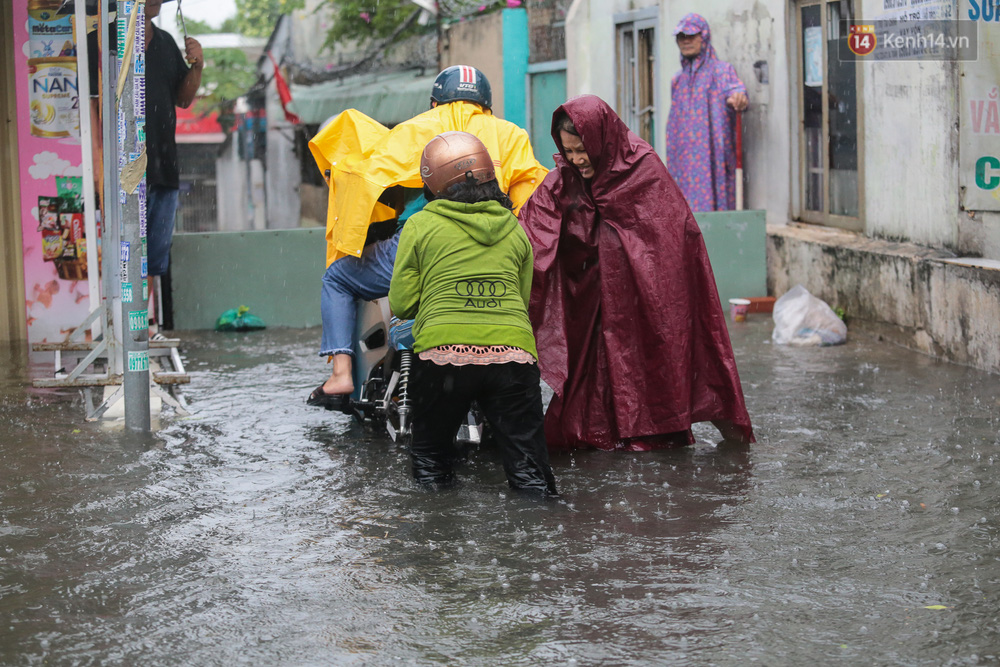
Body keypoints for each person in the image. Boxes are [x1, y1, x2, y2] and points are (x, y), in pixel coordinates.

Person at [518, 94, 755, 452]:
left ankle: (653, 429)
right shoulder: (565, 179)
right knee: (592, 380)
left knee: (649, 365)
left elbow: (671, 239)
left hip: (642, 301)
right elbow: (530, 232)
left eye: (582, 150)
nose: (576, 160)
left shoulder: (642, 167)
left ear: (601, 140)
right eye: (568, 152)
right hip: (591, 302)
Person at [306, 65, 547, 409]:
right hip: (496, 244)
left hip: (422, 244)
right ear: (486, 105)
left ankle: (342, 373)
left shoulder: (414, 130)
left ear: (435, 103)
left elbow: (368, 176)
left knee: (338, 278)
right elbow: (531, 198)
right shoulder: (510, 135)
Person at [388, 131, 557, 496]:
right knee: (530, 473)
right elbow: (523, 298)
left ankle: (435, 543)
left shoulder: (419, 225)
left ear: (432, 184)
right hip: (513, 357)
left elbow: (401, 304)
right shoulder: (514, 227)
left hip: (442, 357)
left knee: (431, 461)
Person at [665, 13, 748, 212]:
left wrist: (739, 98)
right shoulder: (678, 80)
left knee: (716, 218)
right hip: (682, 162)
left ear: (704, 37)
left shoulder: (721, 71)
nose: (686, 41)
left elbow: (736, 92)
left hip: (713, 160)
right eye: (681, 37)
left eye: (691, 36)